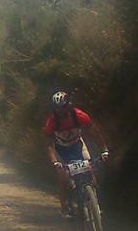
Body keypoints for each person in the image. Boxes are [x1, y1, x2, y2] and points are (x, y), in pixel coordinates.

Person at [43, 90, 109, 218]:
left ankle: (94, 203)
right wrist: (55, 162)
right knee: (63, 177)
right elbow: (49, 145)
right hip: (61, 150)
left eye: (64, 108)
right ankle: (64, 209)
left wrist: (104, 149)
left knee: (90, 171)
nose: (61, 112)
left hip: (77, 146)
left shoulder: (79, 115)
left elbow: (96, 133)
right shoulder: (52, 122)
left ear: (69, 105)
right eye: (58, 109)